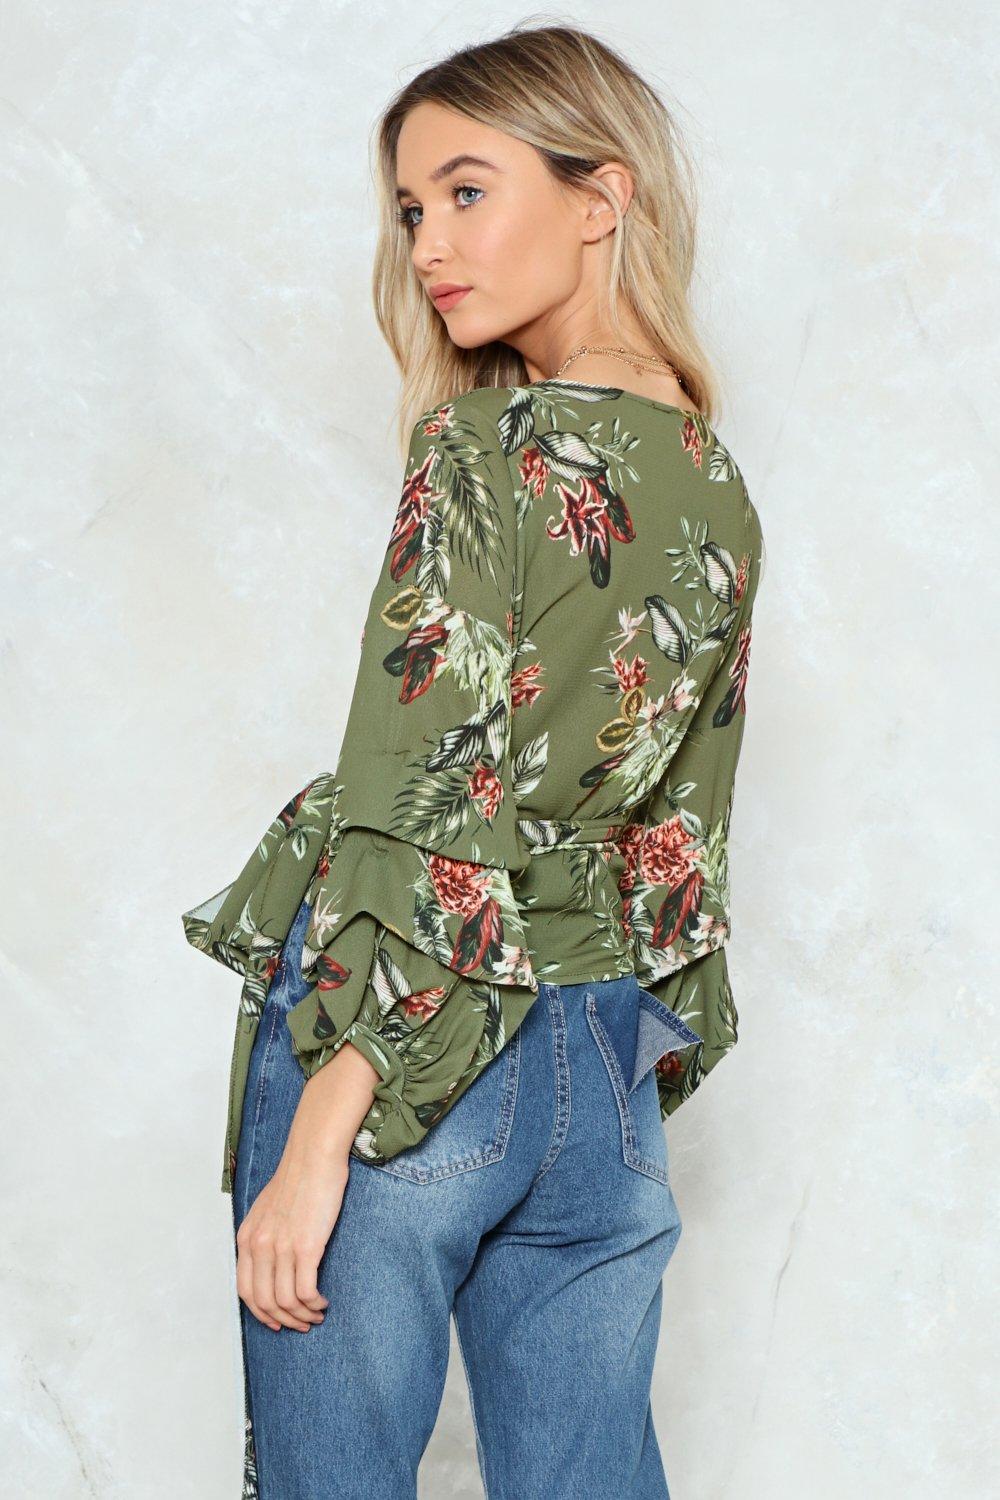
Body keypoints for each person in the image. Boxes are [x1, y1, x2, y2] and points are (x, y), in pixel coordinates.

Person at [181, 22, 765, 1499]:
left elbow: (422, 801)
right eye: (409, 210)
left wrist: (326, 1129)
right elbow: (683, 837)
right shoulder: (713, 478)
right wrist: (623, 1070)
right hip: (601, 1052)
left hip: (407, 1052)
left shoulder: (482, 451)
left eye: (466, 191)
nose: (430, 246)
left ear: (601, 195)